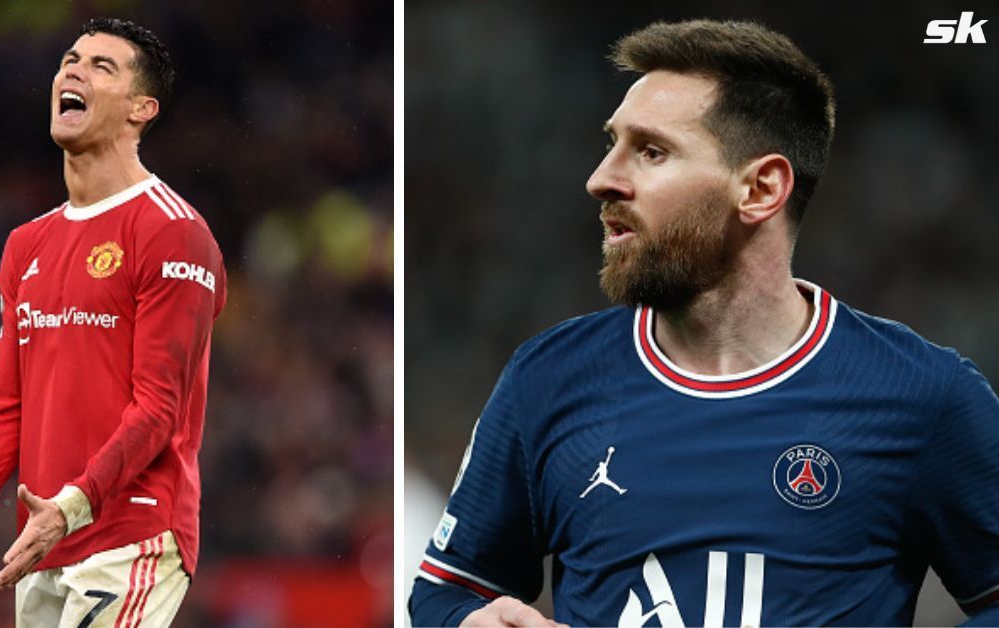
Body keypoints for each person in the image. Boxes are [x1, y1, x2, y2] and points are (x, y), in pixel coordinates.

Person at [409, 19, 999, 627]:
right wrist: (468, 622)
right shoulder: (547, 379)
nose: (601, 179)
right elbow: (445, 593)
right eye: (611, 144)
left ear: (761, 189)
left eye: (651, 151)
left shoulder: (923, 395)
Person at [0, 17, 226, 627]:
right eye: (70, 60)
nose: (74, 71)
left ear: (140, 109)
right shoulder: (26, 245)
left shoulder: (173, 232)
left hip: (131, 530)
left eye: (102, 66)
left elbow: (159, 407)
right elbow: (3, 407)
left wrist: (72, 506)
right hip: (41, 544)